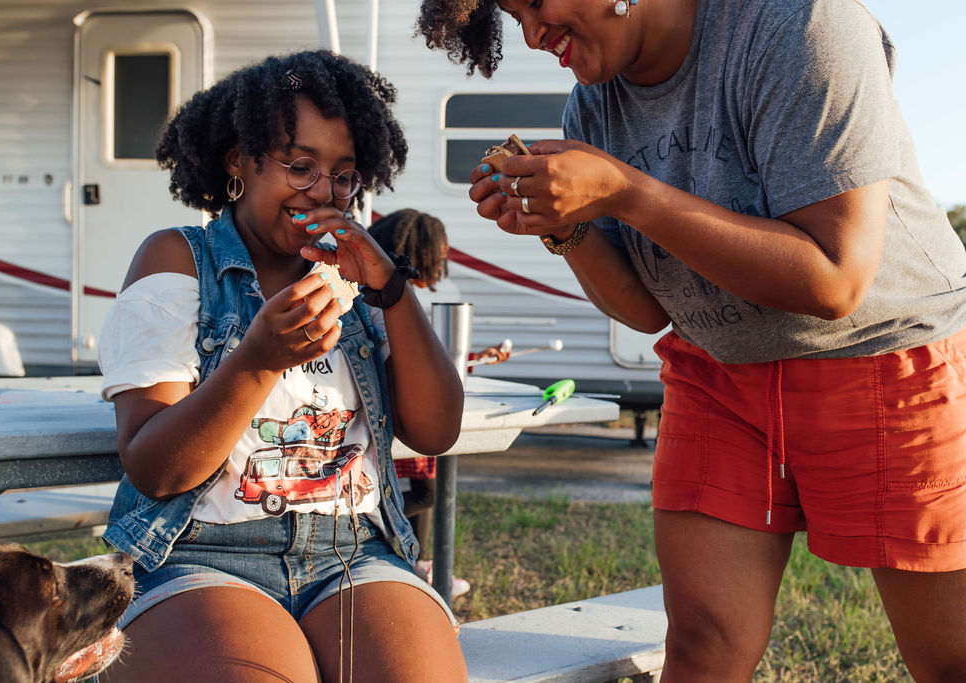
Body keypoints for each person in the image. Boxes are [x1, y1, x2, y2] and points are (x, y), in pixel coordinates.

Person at [416, 1, 966, 680]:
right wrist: (564, 228)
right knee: (703, 644)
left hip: (888, 358)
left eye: (535, 1)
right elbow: (646, 310)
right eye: (510, 13)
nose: (530, 33)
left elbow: (835, 279)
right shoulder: (593, 108)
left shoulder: (800, 24)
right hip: (718, 370)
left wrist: (627, 192)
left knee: (950, 658)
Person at [96, 51, 468, 682]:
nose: (322, 192)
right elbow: (156, 469)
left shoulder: (356, 276)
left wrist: (392, 290)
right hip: (201, 556)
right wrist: (259, 360)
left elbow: (437, 431)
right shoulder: (177, 262)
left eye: (343, 176)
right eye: (300, 167)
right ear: (238, 160)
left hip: (355, 554)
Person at [368, 208, 508, 597]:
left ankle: (419, 560)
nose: (440, 265)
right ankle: (403, 549)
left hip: (411, 413)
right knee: (422, 493)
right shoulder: (381, 300)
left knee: (426, 491)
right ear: (413, 252)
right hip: (393, 416)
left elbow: (431, 361)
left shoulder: (401, 298)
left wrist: (475, 358)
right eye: (436, 256)